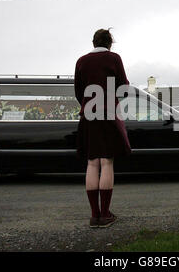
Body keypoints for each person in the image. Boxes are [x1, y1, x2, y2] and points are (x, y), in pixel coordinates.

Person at [74, 29, 131, 228]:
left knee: (92, 163)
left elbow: (78, 91)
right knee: (107, 162)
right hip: (108, 114)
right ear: (110, 43)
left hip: (89, 114)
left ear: (93, 42)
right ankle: (105, 214)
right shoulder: (114, 58)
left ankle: (94, 215)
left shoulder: (81, 61)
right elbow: (123, 87)